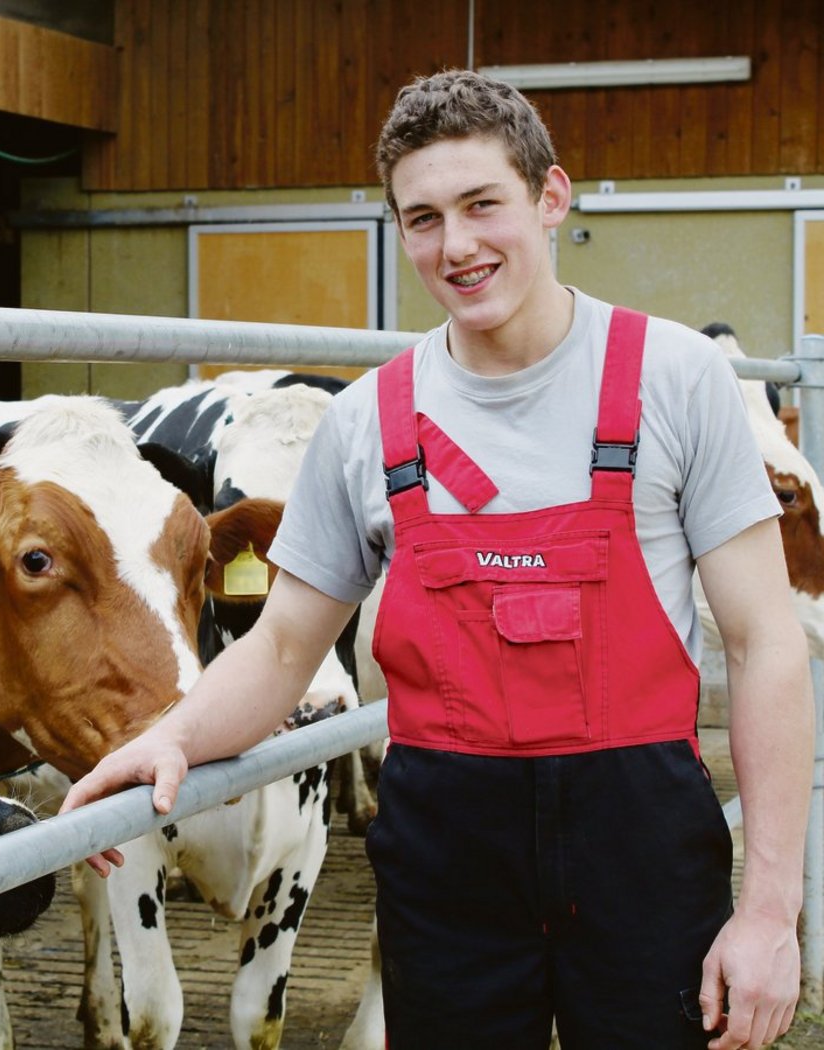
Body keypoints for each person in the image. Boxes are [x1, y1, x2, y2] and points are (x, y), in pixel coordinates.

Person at [60, 69, 814, 1050]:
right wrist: (171, 737)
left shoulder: (676, 381)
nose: (455, 245)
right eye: (422, 218)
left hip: (641, 848)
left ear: (550, 197)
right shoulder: (366, 423)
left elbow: (763, 645)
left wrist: (768, 914)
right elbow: (283, 646)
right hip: (448, 861)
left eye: (480, 204)